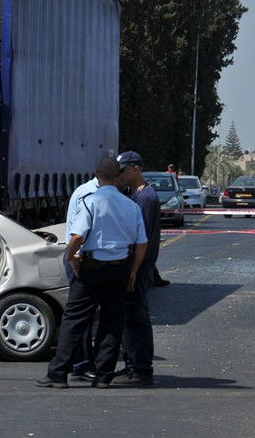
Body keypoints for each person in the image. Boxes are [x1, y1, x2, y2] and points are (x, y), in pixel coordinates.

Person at [36, 157, 148, 389]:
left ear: (96, 174)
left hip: (92, 268)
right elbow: (141, 243)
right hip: (120, 268)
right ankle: (104, 376)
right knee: (112, 321)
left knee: (74, 320)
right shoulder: (132, 206)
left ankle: (58, 374)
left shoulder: (91, 201)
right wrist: (134, 271)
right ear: (118, 178)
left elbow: (77, 237)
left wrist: (71, 257)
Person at [114, 151, 160, 386]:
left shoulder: (145, 198)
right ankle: (132, 364)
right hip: (136, 266)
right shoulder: (135, 195)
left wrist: (132, 271)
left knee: (136, 318)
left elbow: (139, 239)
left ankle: (141, 369)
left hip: (139, 268)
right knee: (130, 317)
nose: (119, 176)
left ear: (136, 169)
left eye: (122, 171)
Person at [62, 174, 100, 381]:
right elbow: (77, 236)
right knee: (81, 315)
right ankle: (81, 363)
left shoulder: (92, 192)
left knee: (84, 314)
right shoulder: (90, 195)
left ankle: (80, 362)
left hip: (80, 257)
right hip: (79, 258)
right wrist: (73, 257)